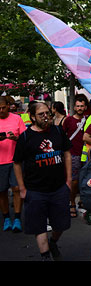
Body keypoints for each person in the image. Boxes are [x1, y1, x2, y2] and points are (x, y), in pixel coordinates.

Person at [13, 101, 72, 260]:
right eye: (41, 114)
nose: (46, 116)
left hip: (59, 188)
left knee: (61, 225)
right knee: (39, 227)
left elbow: (66, 154)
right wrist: (22, 188)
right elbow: (17, 163)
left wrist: (68, 180)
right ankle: (45, 255)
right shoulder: (26, 137)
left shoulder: (58, 132)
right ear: (32, 117)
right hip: (35, 190)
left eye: (48, 113)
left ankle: (53, 242)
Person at [0, 96, 27, 233]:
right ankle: (6, 218)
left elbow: (24, 138)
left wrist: (14, 138)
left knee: (16, 189)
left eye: (3, 107)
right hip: (0, 162)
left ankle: (17, 218)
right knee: (2, 191)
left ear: (8, 106)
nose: (1, 110)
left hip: (15, 160)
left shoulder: (17, 119)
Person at [61, 94, 88, 219]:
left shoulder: (89, 119)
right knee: (74, 181)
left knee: (85, 180)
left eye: (82, 106)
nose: (80, 108)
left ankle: (83, 201)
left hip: (86, 154)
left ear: (85, 107)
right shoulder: (69, 120)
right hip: (73, 154)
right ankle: (72, 203)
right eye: (77, 106)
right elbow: (62, 135)